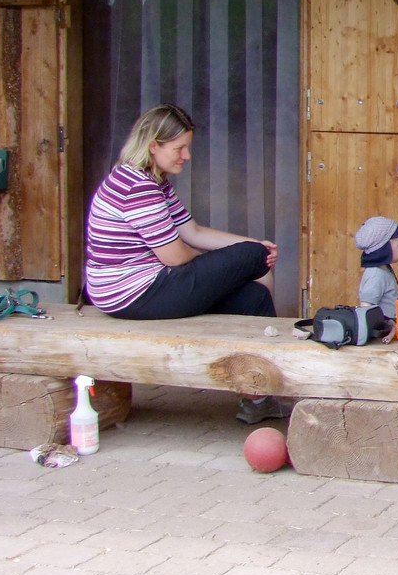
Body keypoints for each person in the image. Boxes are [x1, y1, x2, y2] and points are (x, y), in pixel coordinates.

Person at [84, 104, 283, 421]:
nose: (186, 156)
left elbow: (193, 231)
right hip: (132, 293)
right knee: (253, 257)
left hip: (143, 286)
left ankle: (258, 399)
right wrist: (241, 258)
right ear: (153, 146)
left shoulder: (153, 181)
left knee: (255, 295)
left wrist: (247, 249)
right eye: (179, 148)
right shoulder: (138, 187)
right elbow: (175, 256)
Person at [355, 215, 398, 320]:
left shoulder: (384, 270)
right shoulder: (376, 275)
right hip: (381, 334)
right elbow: (366, 307)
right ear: (385, 248)